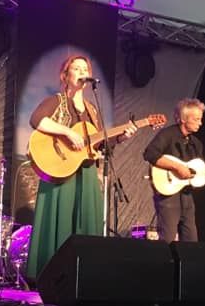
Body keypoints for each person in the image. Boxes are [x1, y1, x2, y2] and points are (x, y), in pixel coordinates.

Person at [25, 55, 133, 279]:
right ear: (65, 76)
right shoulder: (57, 101)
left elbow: (100, 142)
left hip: (85, 172)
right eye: (76, 68)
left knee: (87, 219)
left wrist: (122, 136)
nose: (82, 72)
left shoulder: (92, 109)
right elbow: (37, 119)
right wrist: (67, 132)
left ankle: (82, 275)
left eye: (85, 69)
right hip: (60, 172)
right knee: (60, 220)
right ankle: (51, 274)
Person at [143, 98, 205, 243]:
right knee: (166, 240)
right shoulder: (167, 134)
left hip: (187, 197)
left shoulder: (196, 144)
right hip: (168, 195)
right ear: (183, 119)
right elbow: (150, 154)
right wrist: (177, 167)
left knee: (191, 241)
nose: (201, 123)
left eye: (201, 119)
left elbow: (199, 173)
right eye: (196, 119)